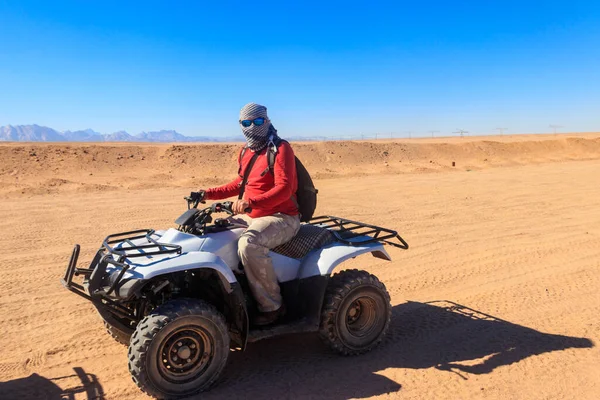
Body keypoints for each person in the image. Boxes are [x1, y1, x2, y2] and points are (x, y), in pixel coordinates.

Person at [198, 103, 300, 325]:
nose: (252, 127)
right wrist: (207, 193)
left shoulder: (280, 149)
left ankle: (273, 306)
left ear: (268, 121)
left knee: (249, 244)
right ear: (240, 125)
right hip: (252, 214)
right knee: (212, 236)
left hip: (282, 217)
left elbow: (285, 189)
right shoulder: (246, 151)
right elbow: (240, 184)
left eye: (258, 121)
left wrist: (250, 203)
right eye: (247, 123)